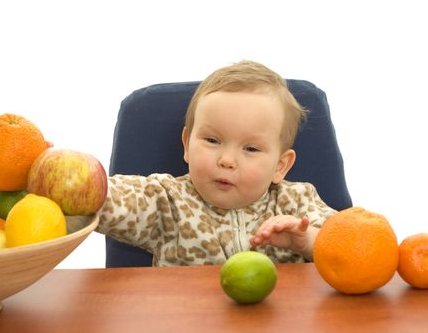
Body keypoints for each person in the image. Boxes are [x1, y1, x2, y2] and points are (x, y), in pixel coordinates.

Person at [95, 60, 336, 266]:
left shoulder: (297, 202)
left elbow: (350, 244)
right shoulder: (166, 201)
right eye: (212, 140)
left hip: (278, 318)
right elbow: (100, 196)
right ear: (187, 145)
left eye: (250, 148)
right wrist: (59, 170)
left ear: (280, 166)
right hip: (186, 318)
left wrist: (308, 241)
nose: (227, 160)